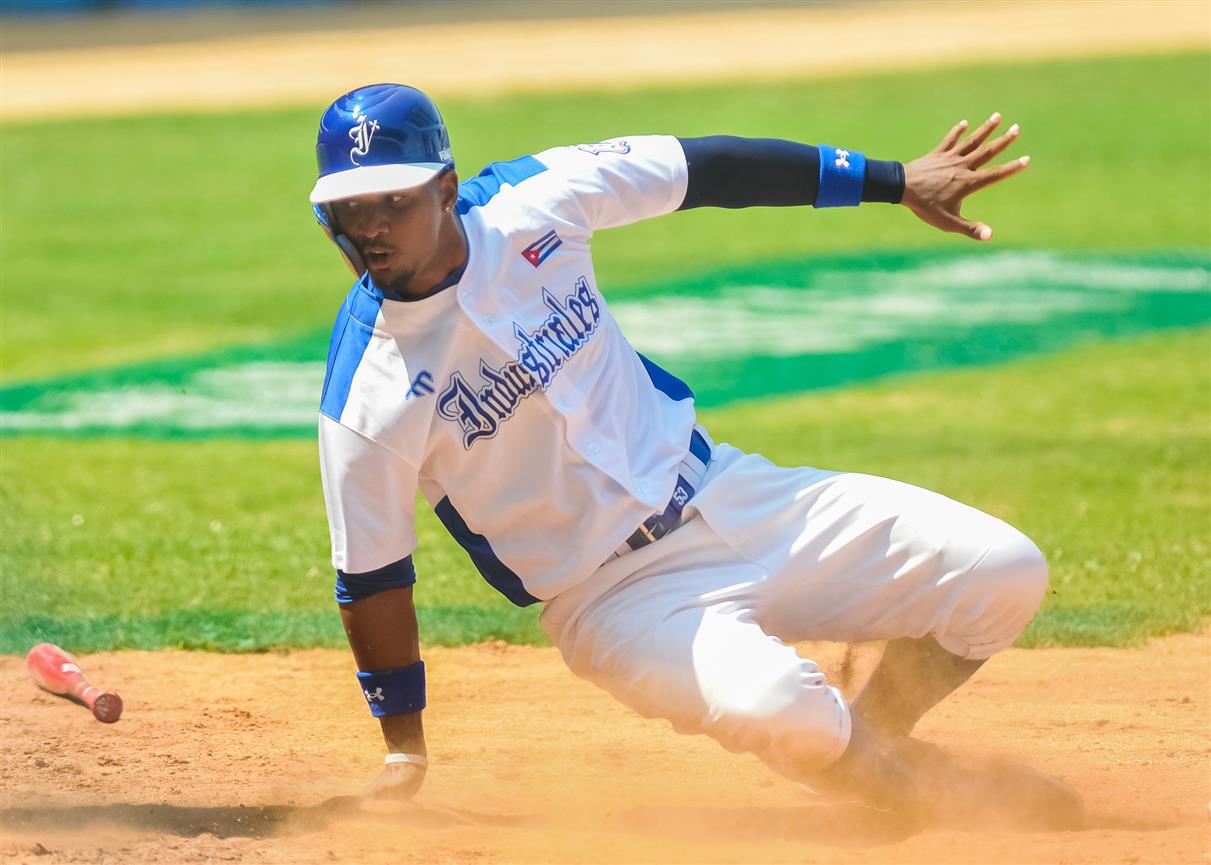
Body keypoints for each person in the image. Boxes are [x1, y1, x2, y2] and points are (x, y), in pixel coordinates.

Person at [310, 83, 1083, 827]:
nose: (370, 227)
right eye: (348, 208)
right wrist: (403, 752)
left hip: (729, 494)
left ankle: (870, 739)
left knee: (1003, 571)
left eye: (392, 201)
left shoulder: (532, 202)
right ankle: (931, 792)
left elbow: (705, 168)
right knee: (782, 708)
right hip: (615, 600)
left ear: (445, 189)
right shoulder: (366, 388)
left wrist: (893, 181)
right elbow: (372, 575)